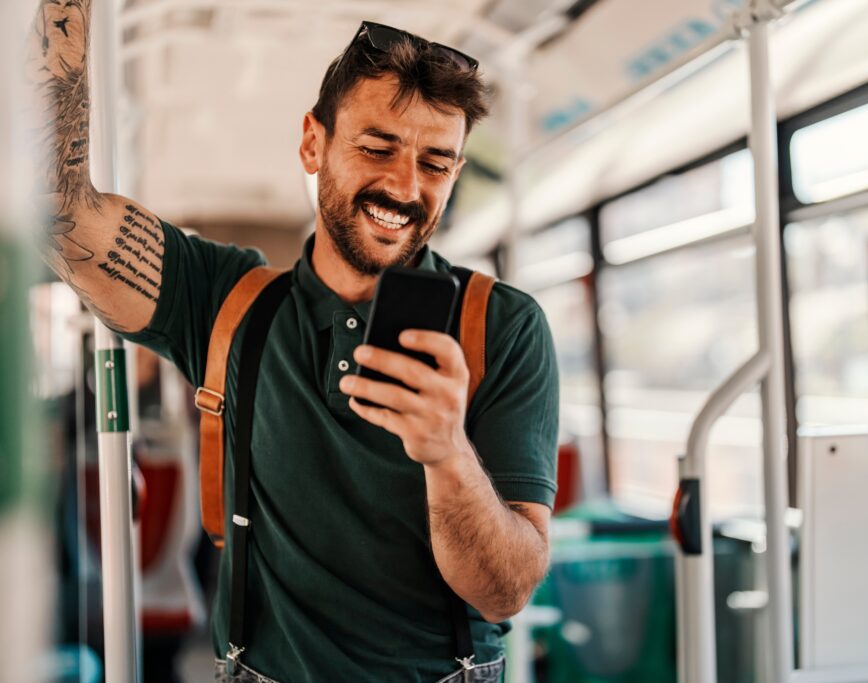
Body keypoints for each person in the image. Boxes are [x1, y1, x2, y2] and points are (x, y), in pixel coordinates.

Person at [28, 2, 559, 681]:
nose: (405, 186)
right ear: (313, 143)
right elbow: (54, 206)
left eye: (436, 163)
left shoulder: (504, 327)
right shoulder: (224, 300)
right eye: (377, 148)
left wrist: (448, 454)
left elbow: (505, 590)